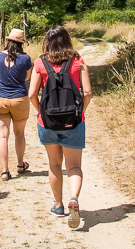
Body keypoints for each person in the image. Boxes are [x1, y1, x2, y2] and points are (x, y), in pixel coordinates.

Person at [28, 25, 93, 228]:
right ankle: (74, 198)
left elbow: (31, 94)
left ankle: (58, 205)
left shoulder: (40, 63)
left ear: (47, 42)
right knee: (73, 166)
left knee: (54, 165)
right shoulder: (78, 61)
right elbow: (88, 92)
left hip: (47, 122)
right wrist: (80, 112)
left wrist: (41, 112)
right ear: (67, 41)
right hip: (73, 121)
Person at [0, 27, 33, 180]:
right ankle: (20, 164)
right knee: (19, 133)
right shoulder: (25, 59)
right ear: (21, 43)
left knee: (2, 136)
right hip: (19, 98)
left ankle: (5, 171)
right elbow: (26, 78)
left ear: (7, 41)